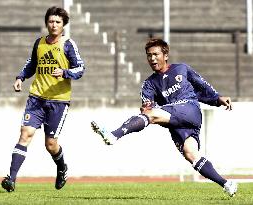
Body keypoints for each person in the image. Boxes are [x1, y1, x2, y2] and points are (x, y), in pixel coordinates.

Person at [91, 38, 237, 197]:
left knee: (150, 114)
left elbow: (201, 86)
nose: (152, 59)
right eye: (149, 55)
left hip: (189, 109)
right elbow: (147, 105)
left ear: (165, 55)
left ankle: (114, 135)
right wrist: (147, 108)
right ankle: (226, 184)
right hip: (176, 123)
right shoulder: (149, 84)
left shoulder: (181, 69)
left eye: (155, 54)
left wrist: (217, 98)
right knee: (191, 154)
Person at [1, 6, 85, 192]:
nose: (54, 25)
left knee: (51, 145)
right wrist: (20, 77)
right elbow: (32, 64)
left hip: (58, 101)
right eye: (51, 21)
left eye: (58, 22)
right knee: (25, 134)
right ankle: (11, 179)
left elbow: (81, 68)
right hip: (36, 98)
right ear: (46, 23)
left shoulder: (68, 44)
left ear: (63, 25)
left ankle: (62, 167)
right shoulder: (39, 43)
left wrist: (64, 72)